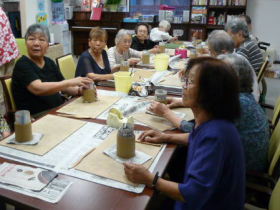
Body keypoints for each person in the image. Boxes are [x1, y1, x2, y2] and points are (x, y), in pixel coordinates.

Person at [124, 57, 245, 210]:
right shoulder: (213, 122)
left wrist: (150, 179)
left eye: (190, 82)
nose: (184, 86)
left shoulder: (216, 135)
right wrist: (166, 136)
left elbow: (193, 193)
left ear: (211, 92)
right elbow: (196, 137)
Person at [12, 24, 92, 117]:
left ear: (48, 45)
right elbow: (38, 88)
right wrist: (70, 81)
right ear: (26, 43)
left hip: (58, 109)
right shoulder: (22, 64)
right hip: (37, 116)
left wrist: (79, 90)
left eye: (42, 40)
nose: (36, 43)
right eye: (31, 39)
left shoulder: (49, 62)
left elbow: (64, 87)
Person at [219, 54, 269, 172]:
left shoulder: (235, 103)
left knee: (181, 154)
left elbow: (201, 134)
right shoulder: (244, 96)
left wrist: (167, 112)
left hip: (243, 172)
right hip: (247, 161)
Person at [207, 30, 260, 102]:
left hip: (241, 105)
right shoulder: (235, 57)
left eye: (211, 51)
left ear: (223, 52)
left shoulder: (231, 65)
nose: (209, 55)